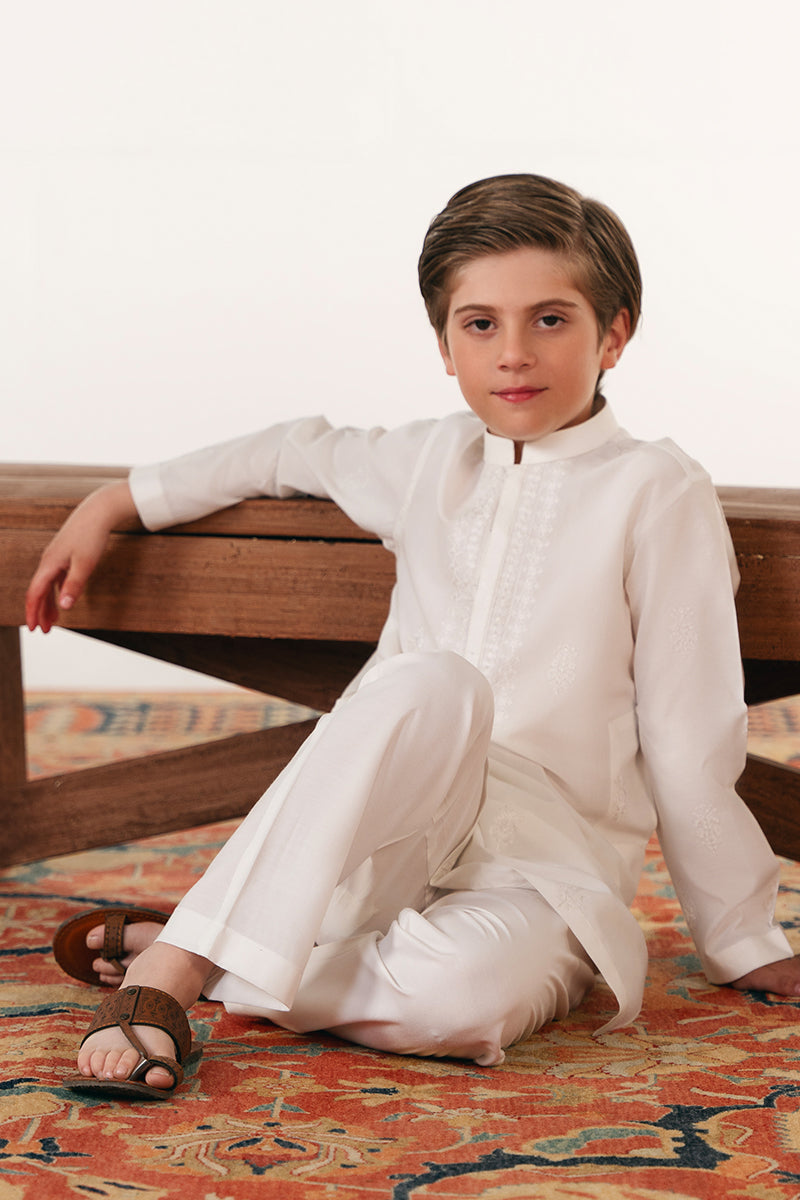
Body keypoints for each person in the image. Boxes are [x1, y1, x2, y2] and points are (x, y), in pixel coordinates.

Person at [26, 174, 800, 1099]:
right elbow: (289, 449)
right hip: (384, 840)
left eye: (551, 320)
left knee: (460, 1003)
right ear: (444, 345)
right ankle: (176, 970)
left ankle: (221, 942)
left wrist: (740, 936)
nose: (514, 353)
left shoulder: (656, 492)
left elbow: (687, 733)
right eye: (480, 324)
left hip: (545, 866)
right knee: (435, 682)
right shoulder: (429, 459)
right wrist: (118, 501)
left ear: (615, 335)